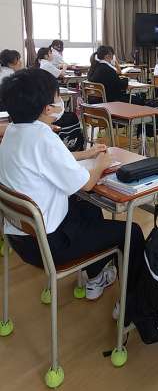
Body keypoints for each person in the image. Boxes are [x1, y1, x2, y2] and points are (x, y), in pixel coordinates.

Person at [0, 68, 144, 303]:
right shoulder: (43, 137)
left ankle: (96, 276)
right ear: (47, 108)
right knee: (132, 232)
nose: (60, 102)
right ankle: (133, 304)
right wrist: (100, 163)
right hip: (51, 245)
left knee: (89, 207)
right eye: (57, 97)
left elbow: (46, 161)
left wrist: (86, 154)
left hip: (20, 238)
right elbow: (87, 184)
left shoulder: (12, 132)